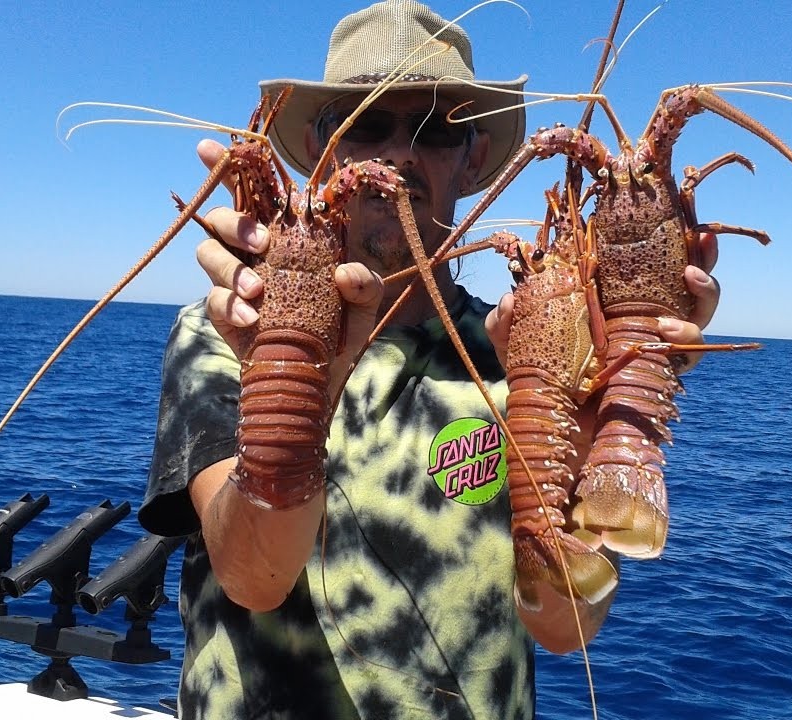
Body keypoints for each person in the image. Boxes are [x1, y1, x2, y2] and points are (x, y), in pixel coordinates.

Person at [137, 2, 721, 718]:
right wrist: (296, 377)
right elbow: (253, 575)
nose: (400, 152)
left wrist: (609, 401)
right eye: (366, 126)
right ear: (325, 153)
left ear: (472, 156)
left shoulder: (520, 345)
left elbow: (564, 628)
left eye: (434, 129)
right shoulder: (224, 335)